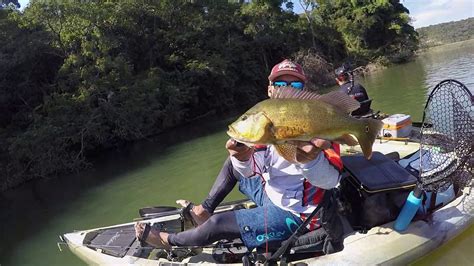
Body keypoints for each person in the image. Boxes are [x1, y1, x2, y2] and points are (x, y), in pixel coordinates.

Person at [135, 59, 344, 256]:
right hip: (270, 194)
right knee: (232, 162)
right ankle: (203, 211)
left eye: (295, 86)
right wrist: (241, 158)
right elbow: (250, 170)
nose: (286, 90)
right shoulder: (265, 122)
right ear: (270, 89)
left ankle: (167, 240)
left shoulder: (318, 124)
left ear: (304, 91)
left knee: (218, 225)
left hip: (297, 213)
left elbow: (331, 181)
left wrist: (310, 161)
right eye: (280, 84)